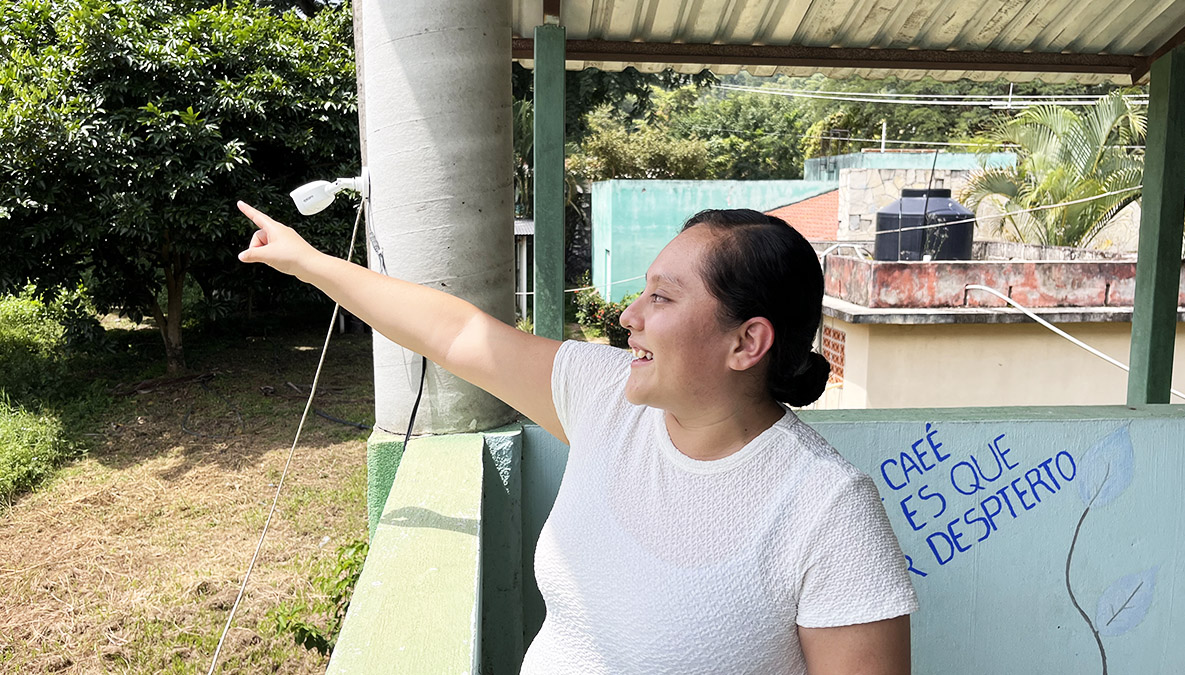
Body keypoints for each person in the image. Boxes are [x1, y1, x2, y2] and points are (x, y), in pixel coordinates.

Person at [237, 202, 917, 674]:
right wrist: (310, 263)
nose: (629, 315)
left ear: (747, 342)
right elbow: (456, 333)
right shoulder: (607, 397)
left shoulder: (830, 511)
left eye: (661, 297)